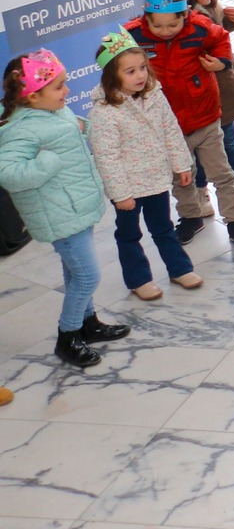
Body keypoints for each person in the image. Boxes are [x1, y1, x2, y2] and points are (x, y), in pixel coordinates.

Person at [0, 51, 129, 369]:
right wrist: (47, 162)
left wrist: (78, 127)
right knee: (87, 276)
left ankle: (89, 323)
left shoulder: (53, 111)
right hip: (59, 214)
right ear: (32, 96)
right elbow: (9, 173)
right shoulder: (19, 129)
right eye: (58, 87)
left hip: (74, 206)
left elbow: (58, 132)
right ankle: (67, 336)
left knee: (76, 272)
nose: (67, 92)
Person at [125, 0, 234, 252]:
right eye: (157, 25)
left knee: (223, 174)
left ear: (186, 14)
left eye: (173, 24)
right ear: (146, 16)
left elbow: (222, 40)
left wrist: (221, 63)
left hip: (205, 117)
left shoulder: (200, 27)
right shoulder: (132, 34)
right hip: (166, 125)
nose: (165, 31)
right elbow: (118, 64)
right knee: (182, 177)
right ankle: (190, 217)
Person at [85, 29, 199, 300]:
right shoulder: (103, 113)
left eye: (142, 68)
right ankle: (138, 279)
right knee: (129, 233)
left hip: (156, 178)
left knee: (163, 227)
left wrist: (181, 164)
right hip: (128, 187)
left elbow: (170, 129)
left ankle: (179, 268)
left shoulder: (155, 96)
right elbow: (106, 156)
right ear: (112, 76)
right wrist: (120, 194)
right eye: (130, 71)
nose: (140, 76)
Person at [160, 0, 234, 208]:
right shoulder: (176, 22)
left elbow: (219, 31)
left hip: (222, 92)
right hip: (197, 96)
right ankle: (200, 189)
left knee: (229, 138)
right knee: (196, 146)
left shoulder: (211, 6)